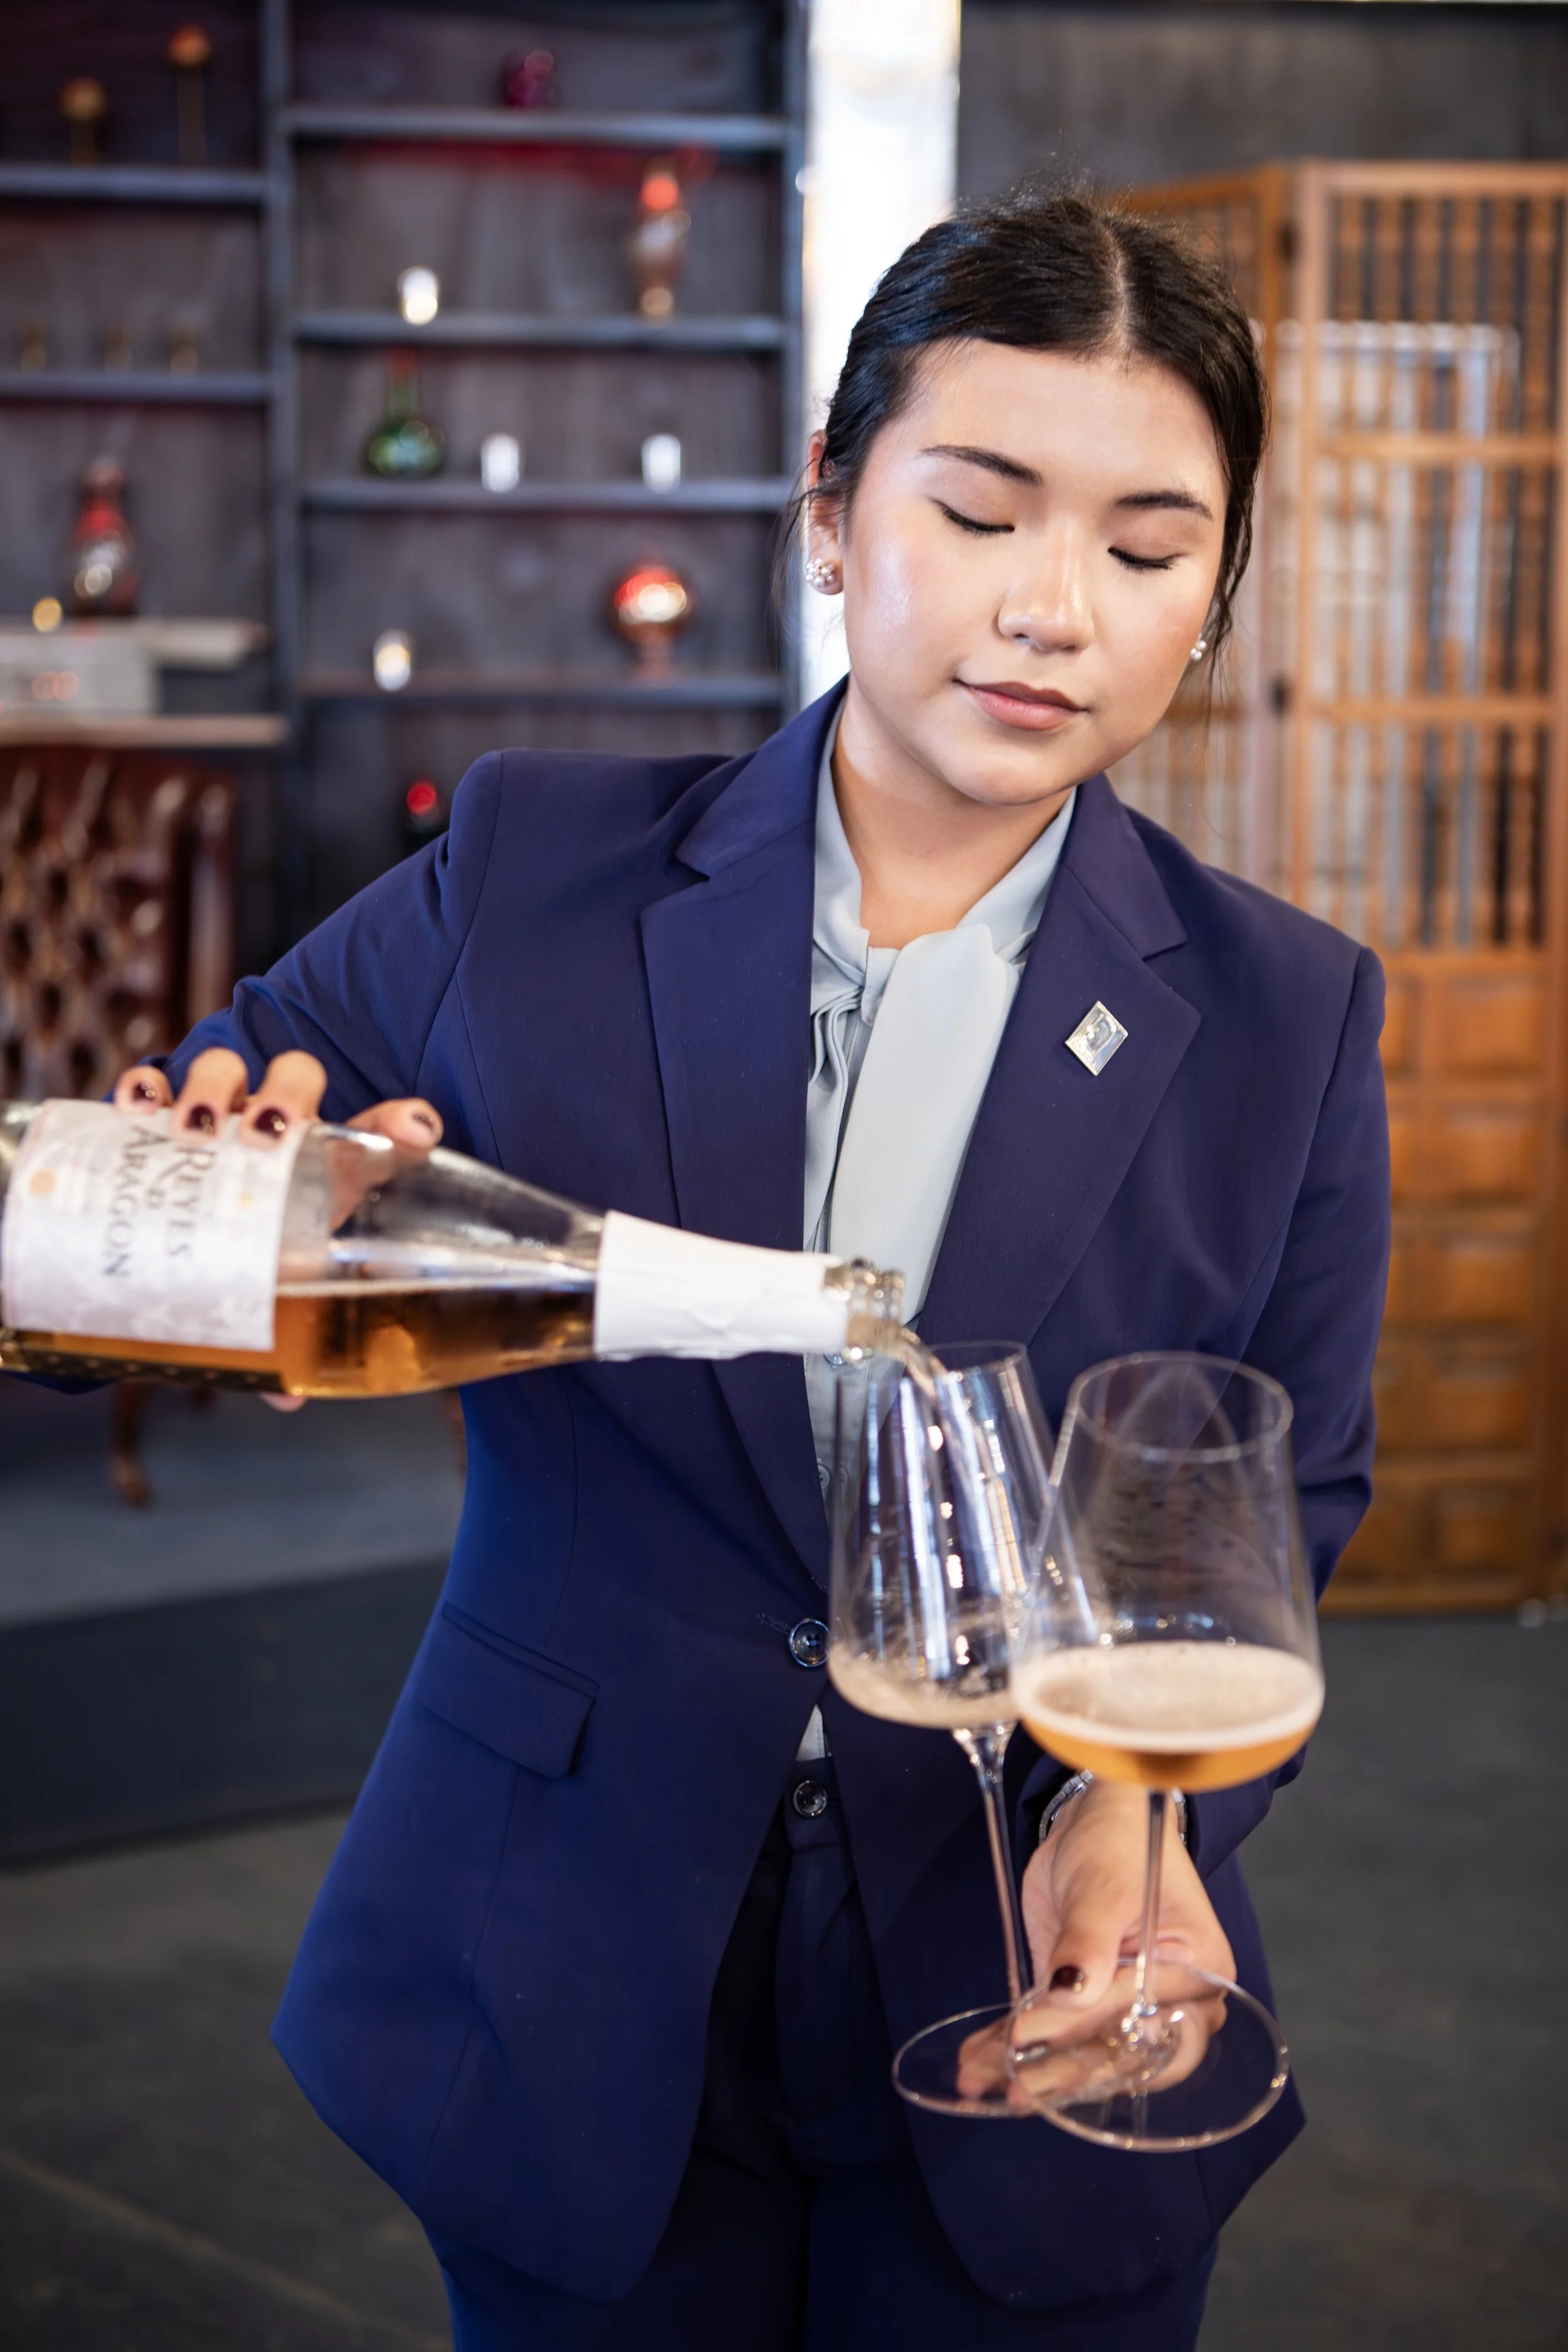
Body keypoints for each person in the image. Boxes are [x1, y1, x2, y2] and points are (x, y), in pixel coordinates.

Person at [112, 189, 1389, 2349]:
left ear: (1216, 598)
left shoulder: (1285, 1013)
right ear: (828, 512)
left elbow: (1288, 1501)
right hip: (567, 1943)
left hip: (1036, 1971)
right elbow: (145, 1208)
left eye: (1147, 550)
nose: (1050, 608)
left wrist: (1136, 1816)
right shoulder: (529, 870)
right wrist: (234, 1206)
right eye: (977, 511)